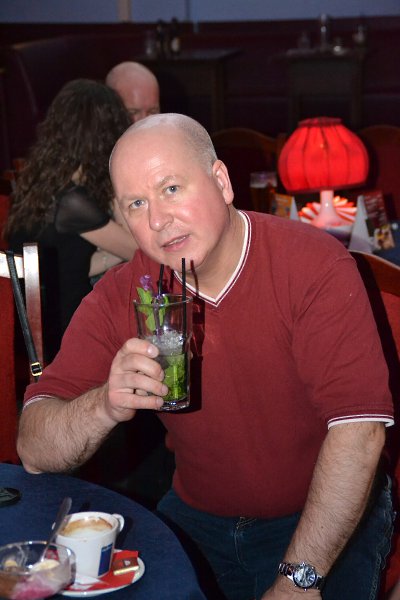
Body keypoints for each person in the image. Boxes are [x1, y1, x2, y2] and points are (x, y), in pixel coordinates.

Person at [17, 113, 395, 600]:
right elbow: (34, 448)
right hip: (197, 518)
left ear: (221, 181)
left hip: (323, 515)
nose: (158, 220)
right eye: (137, 204)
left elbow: (358, 434)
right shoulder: (125, 292)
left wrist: (297, 581)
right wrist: (105, 404)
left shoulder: (312, 265)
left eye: (171, 189)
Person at [5, 79, 137, 360]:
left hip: (40, 322)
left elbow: (70, 265)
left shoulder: (46, 184)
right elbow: (138, 249)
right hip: (63, 333)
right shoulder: (72, 202)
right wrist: (120, 175)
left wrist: (110, 253)